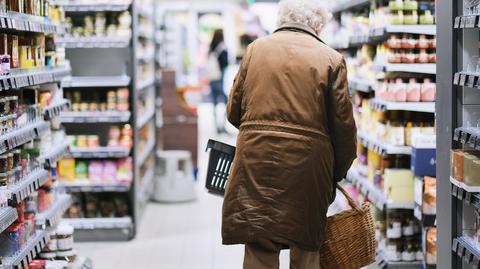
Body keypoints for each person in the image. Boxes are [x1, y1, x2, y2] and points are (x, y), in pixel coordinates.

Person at [222, 0, 357, 268]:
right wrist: (336, 172)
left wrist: (260, 131)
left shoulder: (255, 50)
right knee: (306, 244)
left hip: (257, 162)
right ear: (318, 25)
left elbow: (233, 112)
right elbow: (343, 128)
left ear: (281, 18)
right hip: (308, 168)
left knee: (260, 242)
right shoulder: (331, 59)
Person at [207, 29, 229, 134]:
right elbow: (225, 63)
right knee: (227, 102)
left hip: (211, 78)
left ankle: (217, 126)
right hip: (219, 79)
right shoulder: (222, 49)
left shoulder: (211, 48)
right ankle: (222, 126)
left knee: (215, 103)